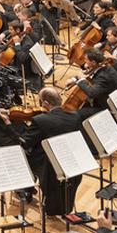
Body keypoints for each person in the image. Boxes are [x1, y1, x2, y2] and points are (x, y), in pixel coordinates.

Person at [21, 87, 85, 217]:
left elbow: (25, 142)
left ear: (45, 104)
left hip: (48, 164)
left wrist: (15, 126)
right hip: (70, 158)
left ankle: (25, 190)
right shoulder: (75, 116)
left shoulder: (40, 120)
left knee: (22, 154)